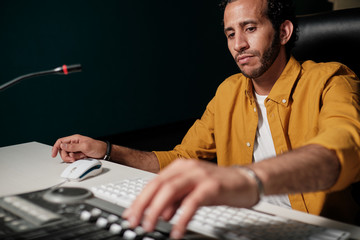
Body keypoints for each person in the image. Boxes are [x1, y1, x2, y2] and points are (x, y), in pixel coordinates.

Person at [52, 0, 360, 238]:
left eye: (250, 28)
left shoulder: (332, 79)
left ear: (283, 32)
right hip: (243, 223)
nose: (238, 44)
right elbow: (181, 158)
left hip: (316, 231)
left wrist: (247, 179)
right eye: (230, 33)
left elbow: (340, 150)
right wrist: (107, 151)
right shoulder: (229, 90)